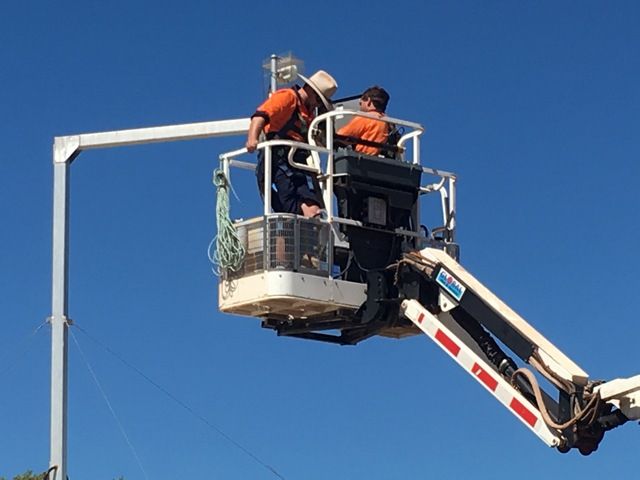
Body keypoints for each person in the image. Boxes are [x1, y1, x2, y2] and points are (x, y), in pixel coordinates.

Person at [246, 70, 338, 218]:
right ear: (311, 90)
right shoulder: (288, 97)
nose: (317, 104)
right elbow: (260, 116)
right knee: (294, 206)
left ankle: (304, 234)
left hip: (297, 162)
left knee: (306, 207)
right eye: (319, 100)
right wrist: (252, 139)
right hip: (280, 160)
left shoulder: (308, 113)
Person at [336, 86, 390, 156]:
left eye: (360, 103)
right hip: (378, 162)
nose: (360, 107)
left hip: (360, 161)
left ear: (369, 102)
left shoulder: (365, 118)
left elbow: (341, 136)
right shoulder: (388, 123)